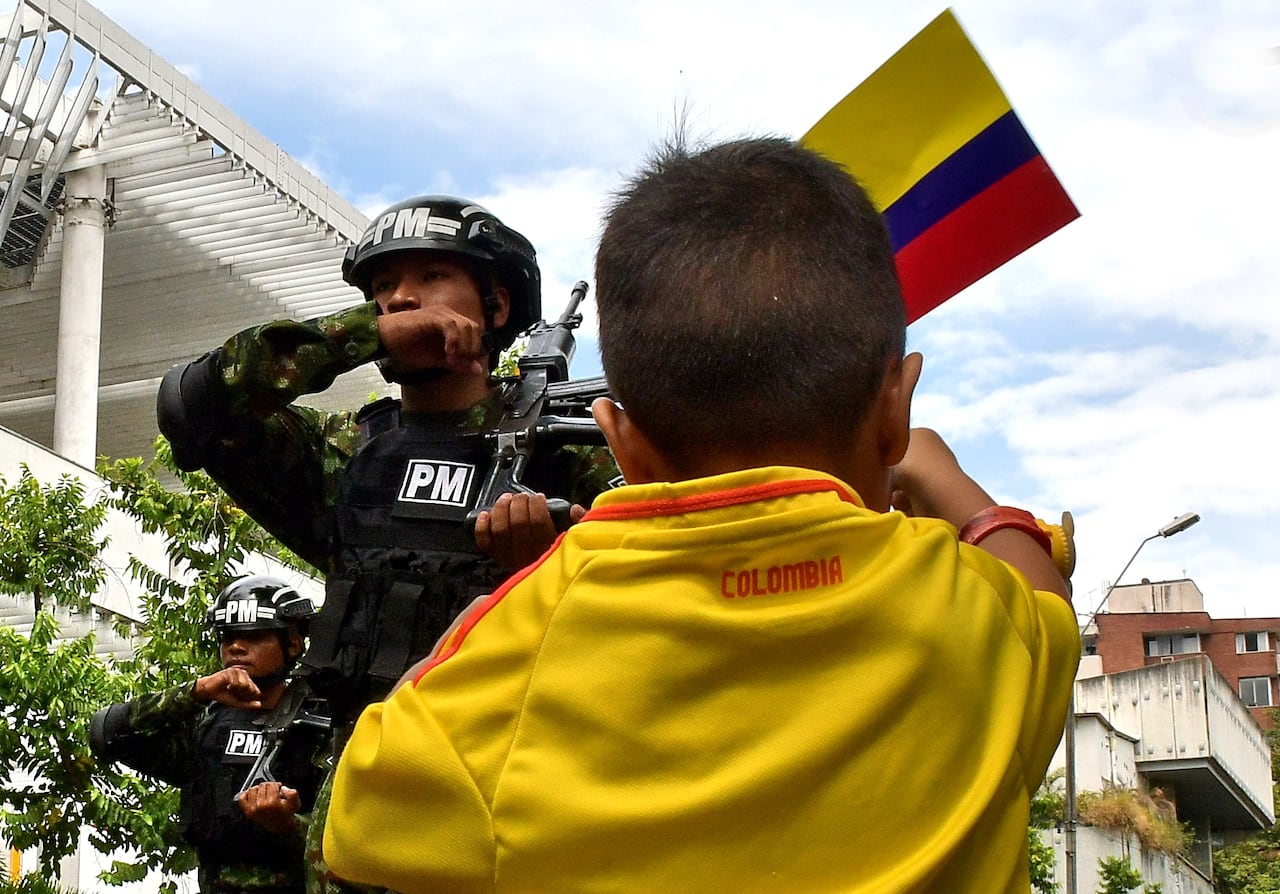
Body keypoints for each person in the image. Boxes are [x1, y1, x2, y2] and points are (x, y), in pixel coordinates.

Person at [322, 137, 1082, 893]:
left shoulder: (539, 620)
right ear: (895, 405)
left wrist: (547, 573)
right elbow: (1040, 585)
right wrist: (935, 470)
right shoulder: (973, 616)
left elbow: (361, 814)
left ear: (620, 440)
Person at [90, 576, 328, 894]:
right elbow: (106, 734)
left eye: (254, 636)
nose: (235, 647)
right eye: (227, 637)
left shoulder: (324, 727)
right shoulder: (209, 723)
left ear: (293, 643)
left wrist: (288, 825)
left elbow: (354, 849)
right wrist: (195, 692)